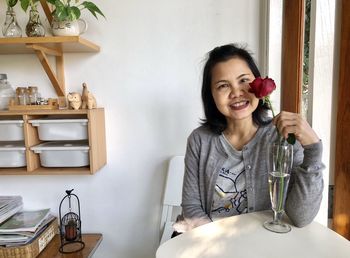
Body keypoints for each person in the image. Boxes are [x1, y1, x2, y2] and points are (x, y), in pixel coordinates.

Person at [173, 43, 324, 234]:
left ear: (259, 85)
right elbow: (192, 207)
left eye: (244, 80)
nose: (236, 92)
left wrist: (313, 149)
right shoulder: (199, 140)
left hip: (262, 245)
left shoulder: (283, 136)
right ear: (211, 95)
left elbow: (301, 217)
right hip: (210, 243)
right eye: (223, 85)